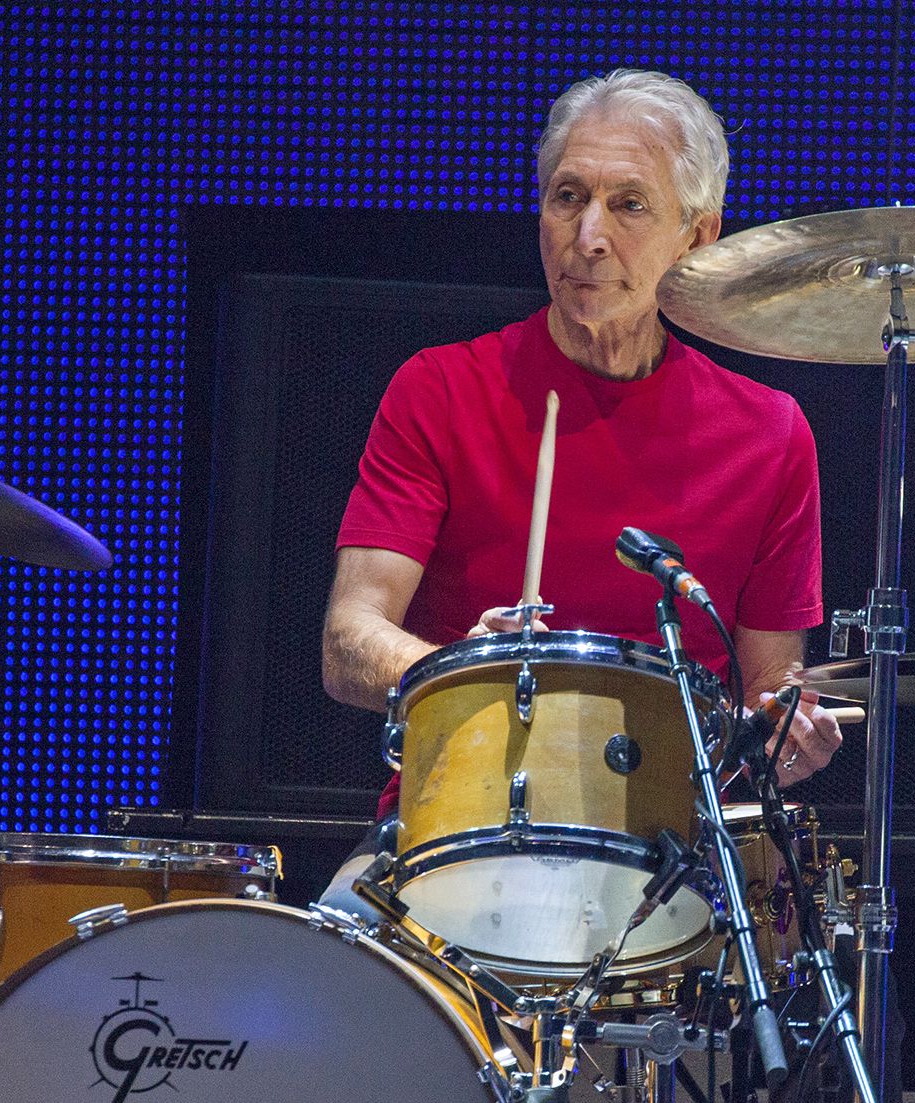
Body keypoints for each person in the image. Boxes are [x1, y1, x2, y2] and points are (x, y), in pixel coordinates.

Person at [319, 67, 841, 906]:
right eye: (568, 197)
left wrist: (784, 737)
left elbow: (766, 697)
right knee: (323, 951)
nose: (588, 235)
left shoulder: (770, 433)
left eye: (628, 205)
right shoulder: (439, 389)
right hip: (450, 836)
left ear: (698, 235)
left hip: (667, 858)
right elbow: (349, 642)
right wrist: (467, 668)